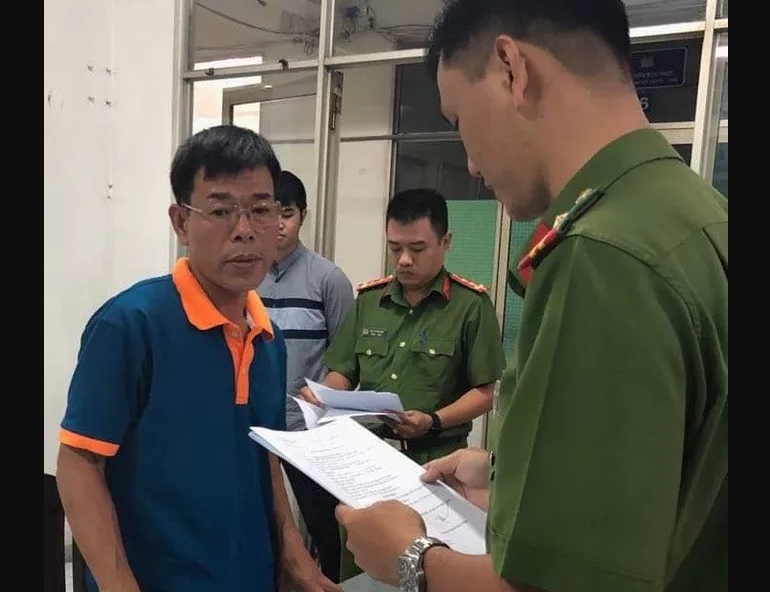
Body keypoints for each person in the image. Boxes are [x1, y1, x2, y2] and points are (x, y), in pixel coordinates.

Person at [335, 0, 728, 592]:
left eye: (459, 119)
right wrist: (507, 471)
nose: (469, 161)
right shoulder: (696, 215)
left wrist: (411, 560)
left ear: (511, 68)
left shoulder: (602, 256)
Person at [55, 125, 341, 592]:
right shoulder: (131, 325)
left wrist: (291, 550)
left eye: (261, 209)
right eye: (221, 211)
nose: (245, 230)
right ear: (180, 221)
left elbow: (265, 455)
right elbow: (79, 465)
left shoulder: (268, 338)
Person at [300, 186, 506, 582]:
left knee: (426, 569)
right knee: (360, 568)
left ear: (446, 242)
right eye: (395, 248)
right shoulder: (369, 300)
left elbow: (485, 392)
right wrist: (325, 396)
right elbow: (343, 370)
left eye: (417, 248)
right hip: (369, 459)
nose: (405, 260)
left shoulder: (470, 306)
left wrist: (433, 420)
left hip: (437, 467)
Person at [258, 169, 355, 583]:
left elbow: (347, 362)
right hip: (256, 428)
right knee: (262, 525)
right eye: (269, 212)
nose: (278, 224)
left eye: (288, 213)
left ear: (303, 216)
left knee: (325, 528)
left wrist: (321, 399)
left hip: (308, 433)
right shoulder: (245, 276)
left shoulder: (328, 280)